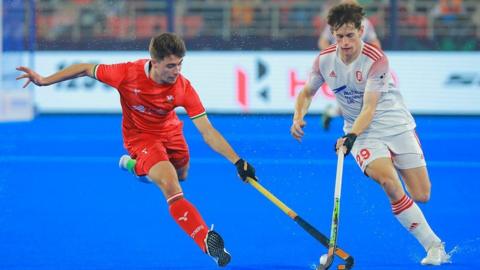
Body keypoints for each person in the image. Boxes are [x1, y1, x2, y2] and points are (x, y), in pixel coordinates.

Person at [16, 32, 257, 267]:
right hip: (141, 138)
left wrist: (237, 161)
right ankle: (206, 241)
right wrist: (44, 80)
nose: (177, 71)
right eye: (171, 66)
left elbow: (207, 130)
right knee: (170, 184)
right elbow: (84, 68)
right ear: (154, 62)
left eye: (180, 65)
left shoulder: (183, 87)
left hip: (172, 134)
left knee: (181, 175)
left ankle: (133, 166)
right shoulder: (126, 73)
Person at [290, 2, 450, 266]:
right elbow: (306, 93)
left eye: (350, 35)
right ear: (332, 33)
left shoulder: (377, 60)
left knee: (421, 194)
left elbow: (370, 107)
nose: (344, 42)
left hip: (393, 122)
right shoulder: (323, 61)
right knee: (389, 183)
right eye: (339, 36)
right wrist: (298, 116)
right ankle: (434, 246)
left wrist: (349, 136)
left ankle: (399, 177)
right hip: (363, 134)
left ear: (361, 31)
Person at [318, 0, 381, 131]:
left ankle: (333, 112)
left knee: (358, 100)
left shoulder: (365, 23)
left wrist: (374, 57)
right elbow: (322, 41)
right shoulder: (336, 22)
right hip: (343, 65)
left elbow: (375, 43)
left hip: (361, 65)